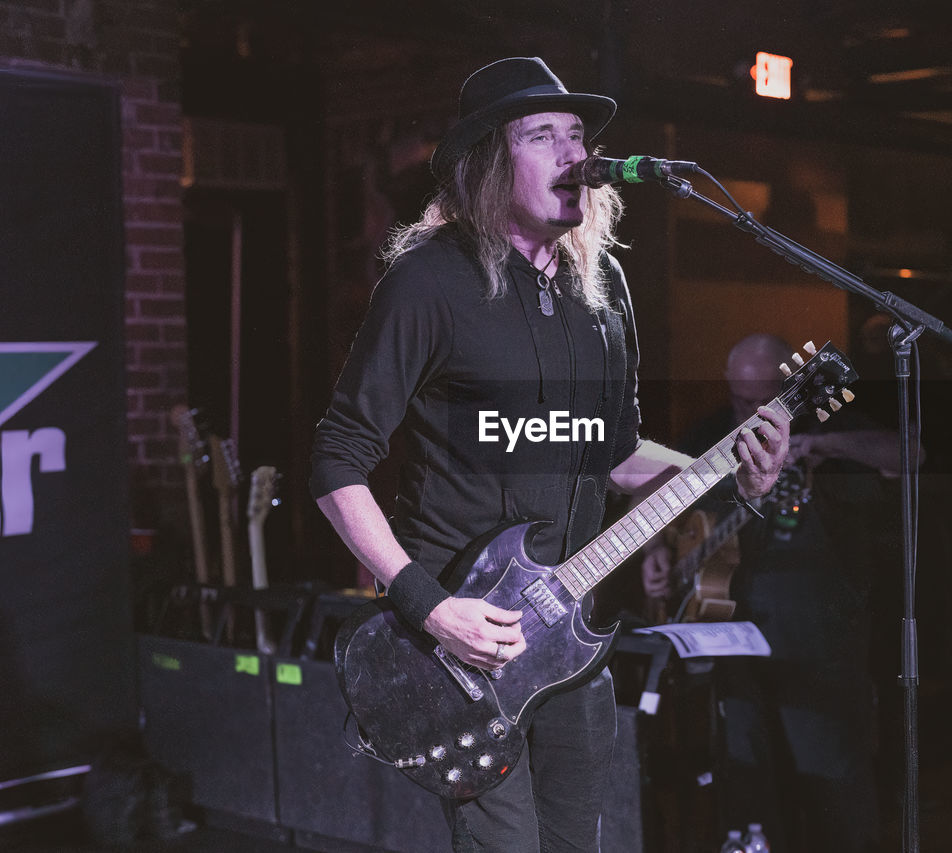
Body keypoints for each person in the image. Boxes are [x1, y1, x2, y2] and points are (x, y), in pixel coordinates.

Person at [309, 57, 790, 853]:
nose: (575, 154)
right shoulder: (429, 284)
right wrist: (429, 603)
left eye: (579, 135)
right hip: (463, 653)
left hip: (571, 645)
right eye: (544, 136)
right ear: (490, 163)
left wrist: (727, 470)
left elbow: (615, 451)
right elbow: (336, 459)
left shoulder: (602, 290)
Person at [643, 333, 906, 853]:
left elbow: (907, 451)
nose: (745, 413)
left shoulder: (822, 419)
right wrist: (657, 549)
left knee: (829, 773)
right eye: (738, 399)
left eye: (757, 401)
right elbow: (658, 485)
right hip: (732, 631)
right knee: (746, 779)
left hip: (817, 636)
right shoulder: (714, 431)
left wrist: (818, 445)